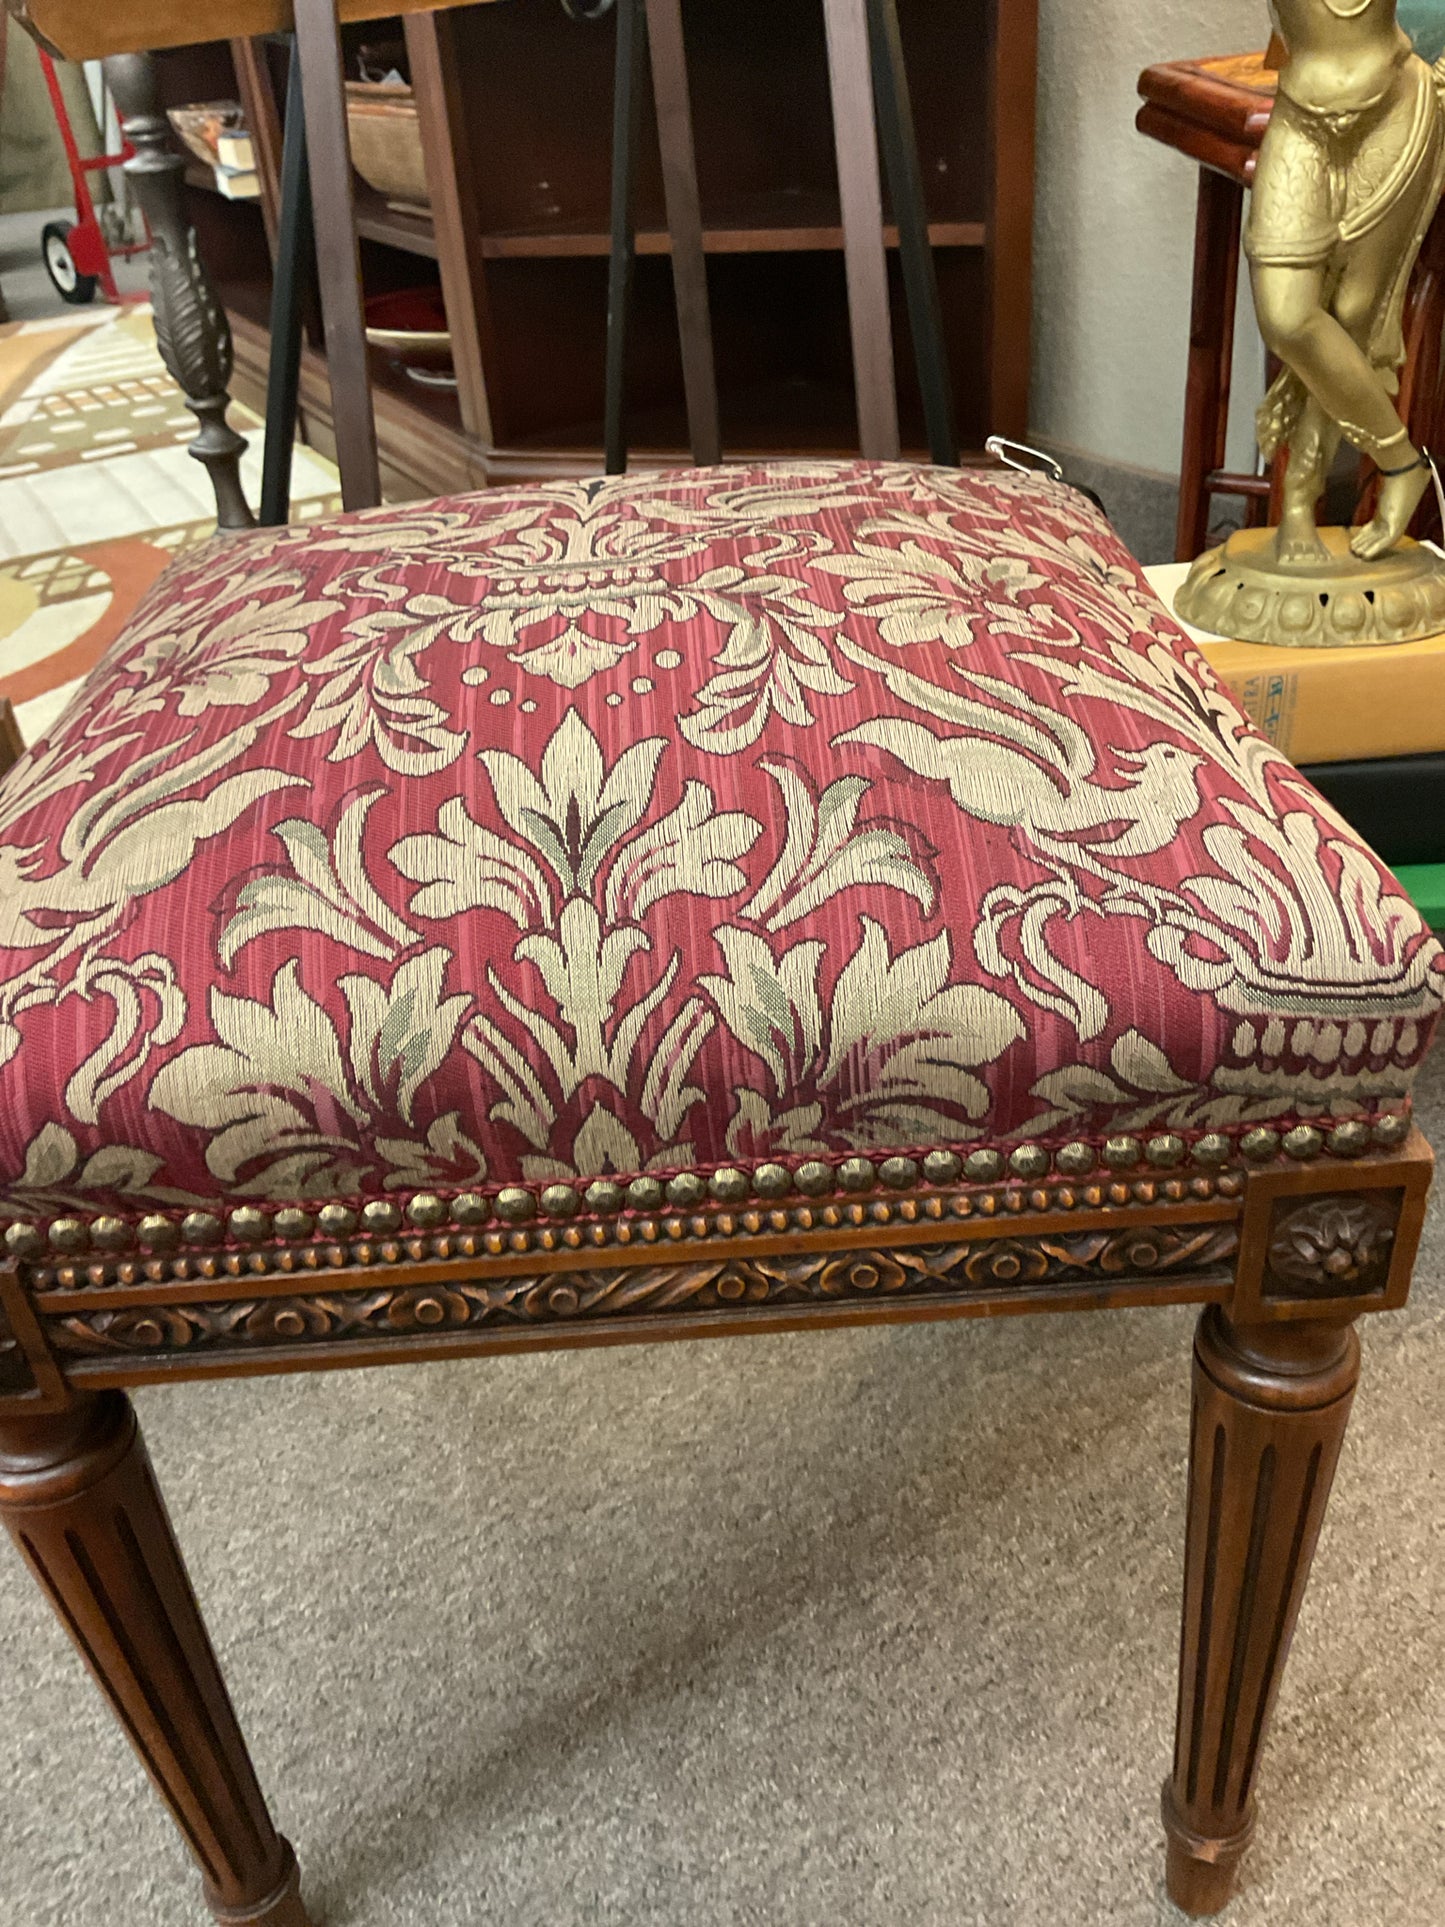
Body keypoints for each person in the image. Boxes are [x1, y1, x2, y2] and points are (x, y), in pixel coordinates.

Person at [1247, 0, 1445, 561]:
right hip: (1300, 117)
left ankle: (1297, 503)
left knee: (1353, 315)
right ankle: (1402, 461)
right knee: (1287, 315)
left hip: (1396, 108)